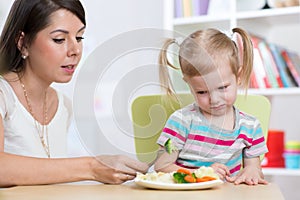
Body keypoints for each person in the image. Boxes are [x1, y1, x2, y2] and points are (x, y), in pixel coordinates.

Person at [0, 0, 148, 187]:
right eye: (59, 40)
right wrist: (92, 167)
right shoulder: (3, 95)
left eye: (79, 38)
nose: (75, 50)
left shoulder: (62, 105)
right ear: (23, 43)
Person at [154, 28, 268, 185]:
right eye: (202, 92)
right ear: (189, 85)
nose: (214, 100)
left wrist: (251, 171)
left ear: (239, 77)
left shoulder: (250, 127)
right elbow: (161, 166)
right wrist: (200, 174)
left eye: (222, 88)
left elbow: (255, 169)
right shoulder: (180, 122)